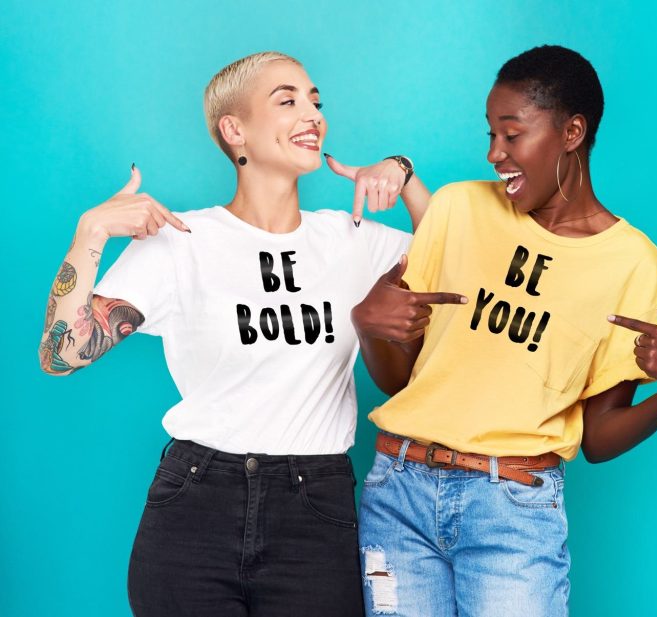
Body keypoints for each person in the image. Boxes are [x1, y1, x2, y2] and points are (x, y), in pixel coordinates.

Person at [37, 51, 441, 617]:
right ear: (234, 130)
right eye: (288, 100)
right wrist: (93, 229)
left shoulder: (351, 240)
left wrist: (405, 174)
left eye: (315, 102)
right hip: (195, 502)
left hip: (315, 506)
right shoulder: (181, 240)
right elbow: (62, 353)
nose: (312, 115)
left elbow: (458, 265)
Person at [345, 45, 657, 616]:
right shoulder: (457, 209)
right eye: (490, 134)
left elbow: (599, 437)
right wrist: (369, 327)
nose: (495, 153)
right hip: (398, 495)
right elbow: (401, 382)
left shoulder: (631, 263)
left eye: (512, 135)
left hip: (513, 514)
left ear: (571, 132)